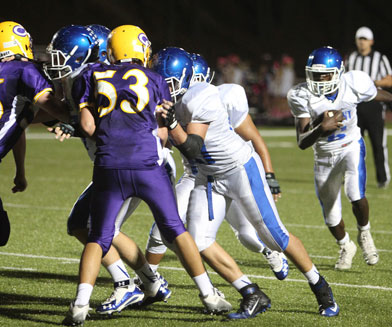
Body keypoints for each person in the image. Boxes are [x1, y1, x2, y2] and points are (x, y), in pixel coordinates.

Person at [62, 25, 231, 326]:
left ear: (112, 51)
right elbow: (164, 134)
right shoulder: (155, 79)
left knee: (98, 236)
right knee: (175, 230)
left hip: (109, 166)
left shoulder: (92, 76)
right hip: (147, 165)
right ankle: (209, 295)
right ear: (141, 51)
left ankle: (80, 304)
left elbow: (88, 127)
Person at [153, 47, 340, 319]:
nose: (162, 90)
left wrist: (170, 123)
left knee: (274, 236)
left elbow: (192, 146)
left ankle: (320, 286)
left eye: (167, 84)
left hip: (238, 170)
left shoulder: (201, 96)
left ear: (184, 78)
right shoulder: (169, 102)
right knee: (198, 240)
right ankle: (251, 293)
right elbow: (164, 140)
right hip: (206, 176)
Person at [45, 24, 168, 316]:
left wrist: (72, 125)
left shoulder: (95, 78)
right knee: (79, 223)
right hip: (122, 162)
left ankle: (126, 284)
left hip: (133, 162)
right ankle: (152, 283)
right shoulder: (86, 77)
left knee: (102, 229)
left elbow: (105, 125)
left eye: (62, 55)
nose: (56, 61)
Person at [144, 52, 289, 281]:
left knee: (247, 235)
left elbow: (254, 140)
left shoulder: (218, 100)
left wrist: (269, 175)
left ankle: (268, 251)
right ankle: (148, 279)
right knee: (161, 229)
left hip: (227, 171)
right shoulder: (172, 105)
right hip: (194, 176)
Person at [288, 46, 392, 271]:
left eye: (325, 74)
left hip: (350, 146)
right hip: (324, 155)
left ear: (338, 72)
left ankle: (364, 232)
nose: (320, 80)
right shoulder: (300, 94)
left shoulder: (353, 82)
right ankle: (346, 245)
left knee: (355, 193)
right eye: (315, 75)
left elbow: (390, 98)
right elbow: (302, 141)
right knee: (331, 216)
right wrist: (321, 129)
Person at [0, 21, 70, 247]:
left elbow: (19, 122)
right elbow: (50, 105)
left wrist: (20, 171)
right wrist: (79, 117)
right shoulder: (23, 69)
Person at [346, 26, 392, 188]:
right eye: (359, 39)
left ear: (371, 41)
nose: (362, 42)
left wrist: (372, 83)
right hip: (356, 106)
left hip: (374, 105)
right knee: (352, 144)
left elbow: (389, 80)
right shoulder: (351, 58)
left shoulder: (380, 58)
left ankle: (382, 179)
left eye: (365, 39)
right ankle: (352, 177)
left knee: (378, 144)